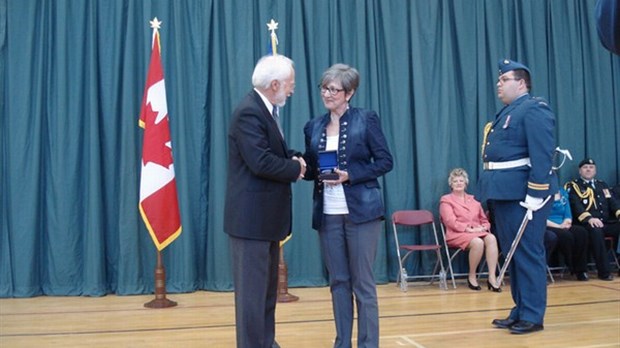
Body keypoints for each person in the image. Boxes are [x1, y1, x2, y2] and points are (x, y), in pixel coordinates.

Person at [302, 64, 393, 348]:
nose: (327, 94)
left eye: (334, 89)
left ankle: (368, 344)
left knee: (363, 284)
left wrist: (350, 175)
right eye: (324, 88)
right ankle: (342, 342)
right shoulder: (313, 126)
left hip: (362, 213)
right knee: (338, 282)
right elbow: (311, 168)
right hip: (327, 214)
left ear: (349, 92)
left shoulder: (366, 119)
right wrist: (295, 165)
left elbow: (385, 161)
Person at [224, 54, 306, 348]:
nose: (292, 90)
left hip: (264, 223)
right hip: (251, 224)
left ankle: (266, 343)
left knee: (266, 296)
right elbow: (260, 162)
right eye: (290, 84)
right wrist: (296, 168)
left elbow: (274, 154)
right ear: (275, 84)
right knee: (251, 299)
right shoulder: (250, 112)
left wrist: (300, 160)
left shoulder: (264, 110)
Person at [477, 59, 557, 335]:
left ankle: (533, 315)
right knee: (513, 255)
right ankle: (520, 309)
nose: (498, 84)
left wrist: (536, 193)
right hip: (504, 192)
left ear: (521, 83)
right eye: (499, 80)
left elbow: (542, 155)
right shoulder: (507, 113)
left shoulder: (534, 109)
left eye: (504, 79)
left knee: (528, 253)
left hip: (524, 195)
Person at [439, 168, 501, 292]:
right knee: (478, 242)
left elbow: (484, 220)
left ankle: (492, 277)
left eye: (461, 180)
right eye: (455, 181)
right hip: (457, 234)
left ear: (466, 183)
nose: (458, 183)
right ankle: (472, 276)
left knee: (491, 238)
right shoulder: (446, 200)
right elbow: (450, 222)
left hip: (477, 232)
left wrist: (484, 227)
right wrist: (469, 230)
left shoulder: (474, 200)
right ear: (451, 184)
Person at [565, 158, 620, 281]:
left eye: (591, 167)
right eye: (585, 167)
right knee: (596, 230)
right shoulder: (574, 186)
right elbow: (576, 205)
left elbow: (612, 202)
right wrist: (589, 218)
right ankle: (604, 271)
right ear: (580, 171)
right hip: (587, 223)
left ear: (595, 170)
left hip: (606, 222)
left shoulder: (602, 185)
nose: (588, 169)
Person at [546, 185, 590, 281]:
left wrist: (567, 220)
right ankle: (571, 265)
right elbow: (540, 217)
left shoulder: (562, 192)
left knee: (581, 232)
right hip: (548, 225)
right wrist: (559, 226)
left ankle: (581, 270)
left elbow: (567, 210)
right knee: (566, 236)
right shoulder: (539, 193)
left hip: (563, 223)